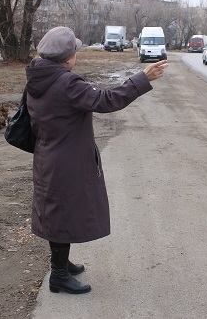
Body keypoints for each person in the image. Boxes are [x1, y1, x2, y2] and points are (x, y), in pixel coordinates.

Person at [25, 26, 168, 294]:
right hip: (66, 160)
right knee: (62, 212)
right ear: (68, 58)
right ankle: (58, 275)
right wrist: (141, 79)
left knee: (57, 211)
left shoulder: (38, 76)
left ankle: (61, 263)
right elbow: (105, 100)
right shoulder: (66, 82)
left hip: (47, 154)